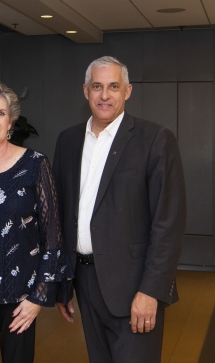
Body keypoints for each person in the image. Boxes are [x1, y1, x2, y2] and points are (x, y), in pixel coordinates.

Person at [53, 56, 186, 363]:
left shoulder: (154, 140)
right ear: (85, 91)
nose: (105, 95)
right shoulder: (69, 140)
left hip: (134, 288)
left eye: (114, 86)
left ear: (128, 91)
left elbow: (168, 223)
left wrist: (151, 291)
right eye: (97, 86)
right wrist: (63, 284)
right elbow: (62, 215)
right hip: (85, 282)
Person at [0, 81, 70, 363]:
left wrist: (38, 298)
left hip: (21, 295)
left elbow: (53, 235)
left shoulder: (35, 164)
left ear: (11, 121)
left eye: (0, 113)